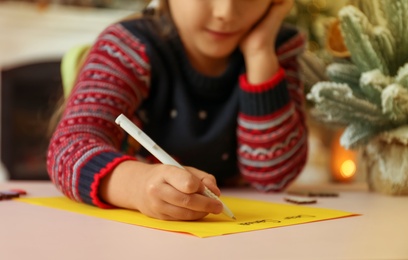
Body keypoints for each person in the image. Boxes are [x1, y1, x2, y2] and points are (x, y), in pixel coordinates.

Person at [47, 0, 308, 221]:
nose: (225, 13)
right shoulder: (128, 47)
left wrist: (260, 53)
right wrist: (138, 185)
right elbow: (67, 149)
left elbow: (274, 176)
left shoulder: (276, 50)